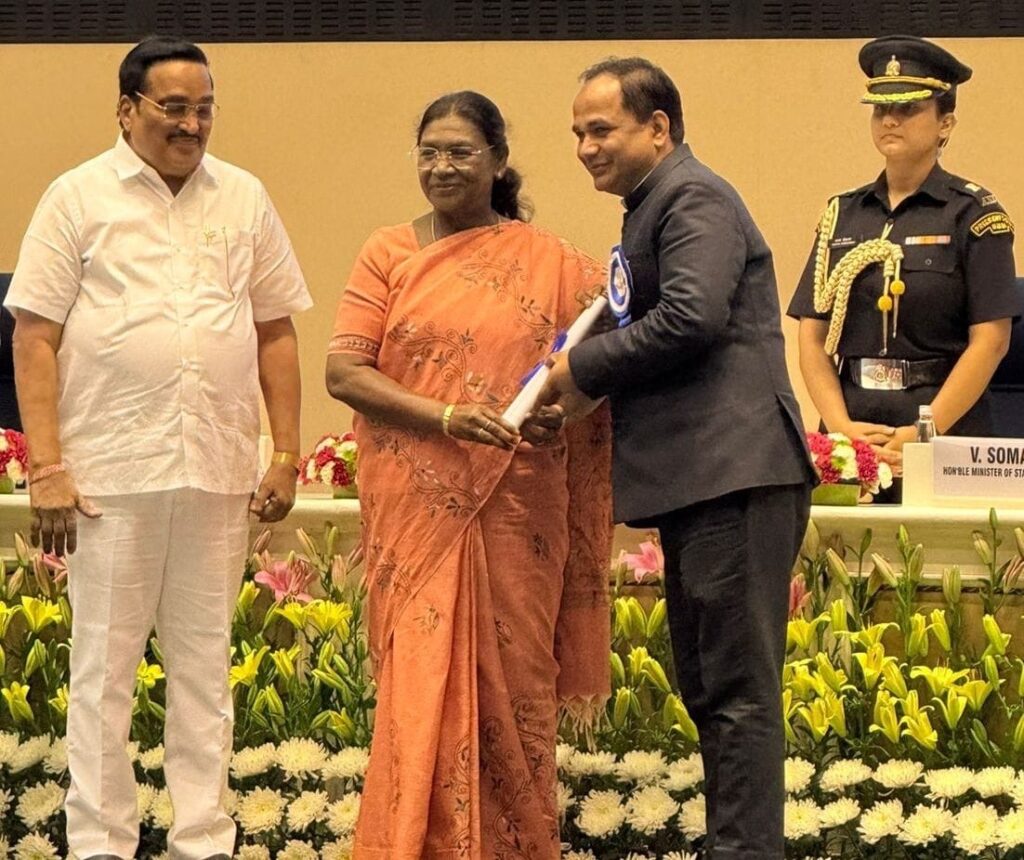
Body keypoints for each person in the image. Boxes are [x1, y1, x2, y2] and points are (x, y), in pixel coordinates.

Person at [6, 37, 311, 860]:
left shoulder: (243, 196)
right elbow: (33, 337)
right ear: (126, 109)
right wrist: (47, 467)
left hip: (216, 470)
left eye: (205, 108)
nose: (192, 124)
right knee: (103, 675)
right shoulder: (76, 197)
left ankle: (202, 841)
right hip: (109, 475)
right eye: (174, 107)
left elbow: (276, 330)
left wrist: (285, 454)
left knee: (206, 673)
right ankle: (100, 844)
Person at [539, 57, 816, 858]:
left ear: (658, 128)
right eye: (577, 134)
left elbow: (692, 317)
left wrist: (581, 368)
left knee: (737, 694)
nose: (586, 147)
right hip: (706, 479)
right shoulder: (653, 205)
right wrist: (579, 385)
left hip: (735, 474)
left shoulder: (694, 197)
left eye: (601, 129)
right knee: (709, 687)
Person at [325, 91, 612, 859]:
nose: (442, 166)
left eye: (459, 151)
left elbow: (599, 358)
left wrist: (566, 410)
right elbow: (344, 372)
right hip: (417, 516)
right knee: (421, 688)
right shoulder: (388, 251)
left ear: (498, 161)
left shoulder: (554, 262)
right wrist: (448, 417)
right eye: (429, 152)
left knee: (515, 690)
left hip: (518, 509)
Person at [788, 35, 1018, 490]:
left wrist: (924, 432)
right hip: (852, 426)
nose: (890, 119)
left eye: (908, 108)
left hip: (944, 427)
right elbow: (812, 338)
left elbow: (991, 341)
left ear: (945, 123)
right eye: (880, 110)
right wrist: (841, 429)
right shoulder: (842, 214)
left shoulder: (974, 215)